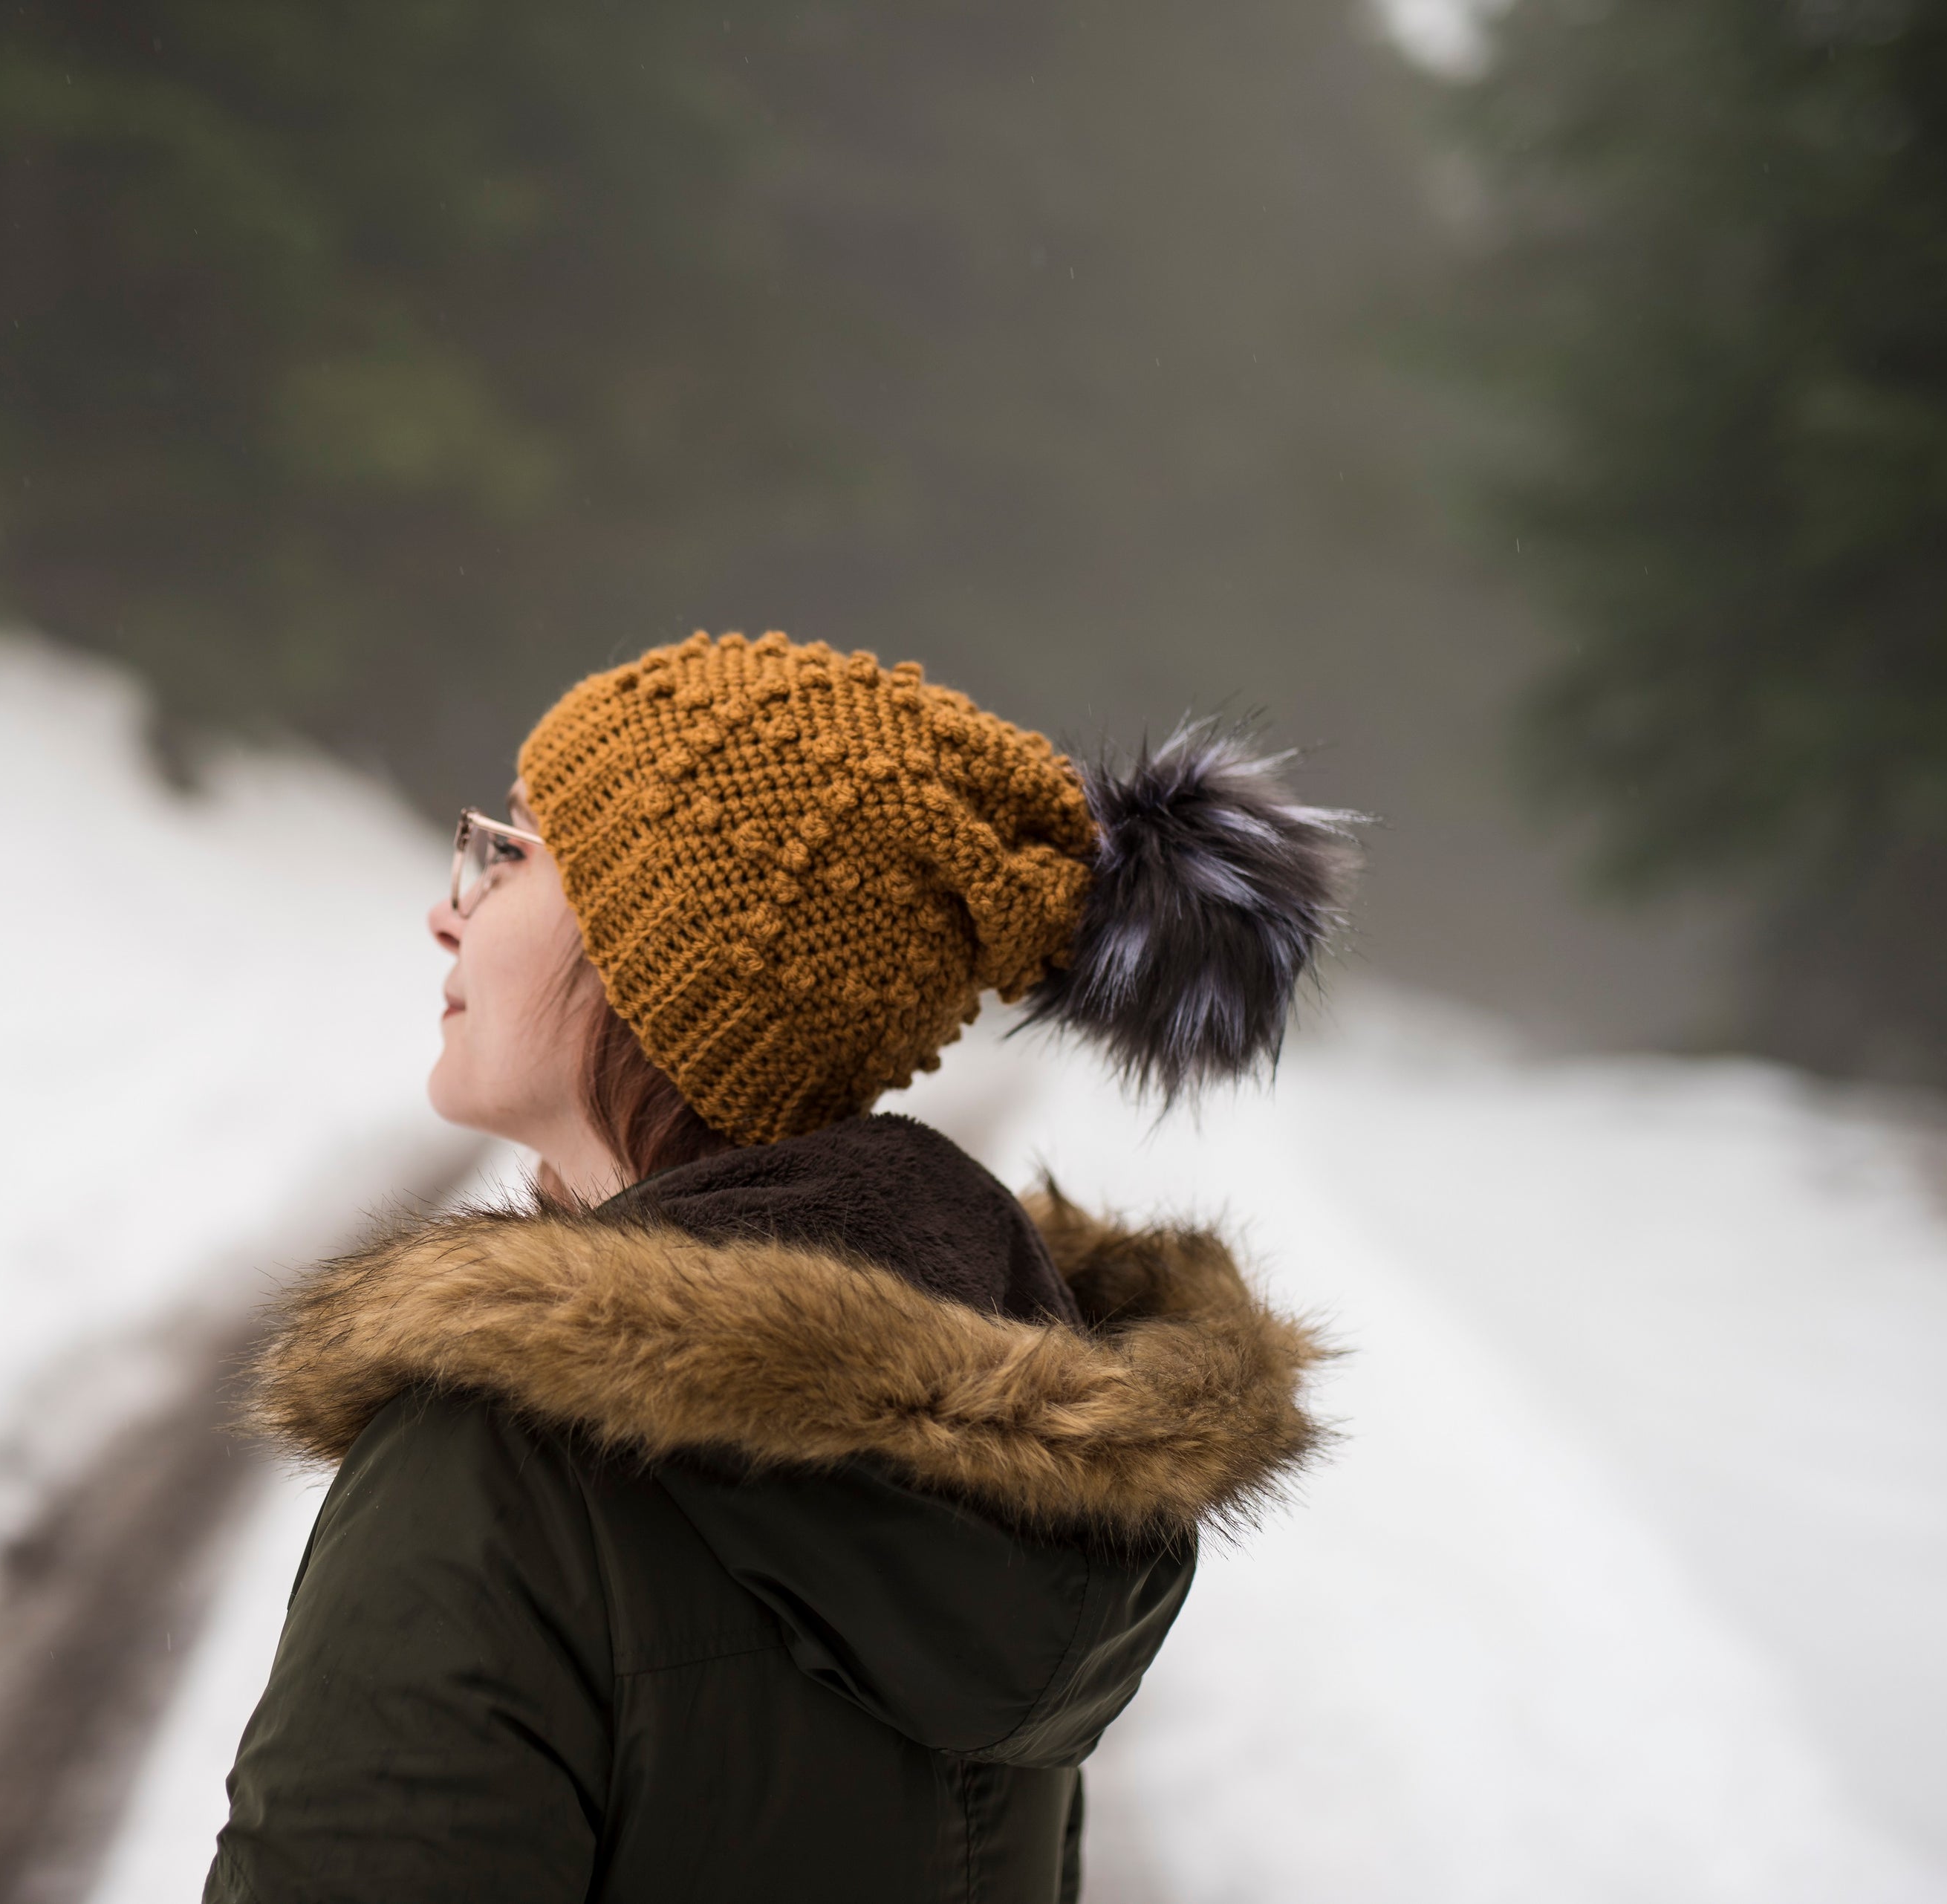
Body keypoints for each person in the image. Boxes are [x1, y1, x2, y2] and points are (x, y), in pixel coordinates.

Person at [207, 631, 1353, 1904]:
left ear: (670, 958)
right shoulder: (1011, 1486)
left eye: (512, 853)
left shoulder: (498, 1470)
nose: (449, 906)